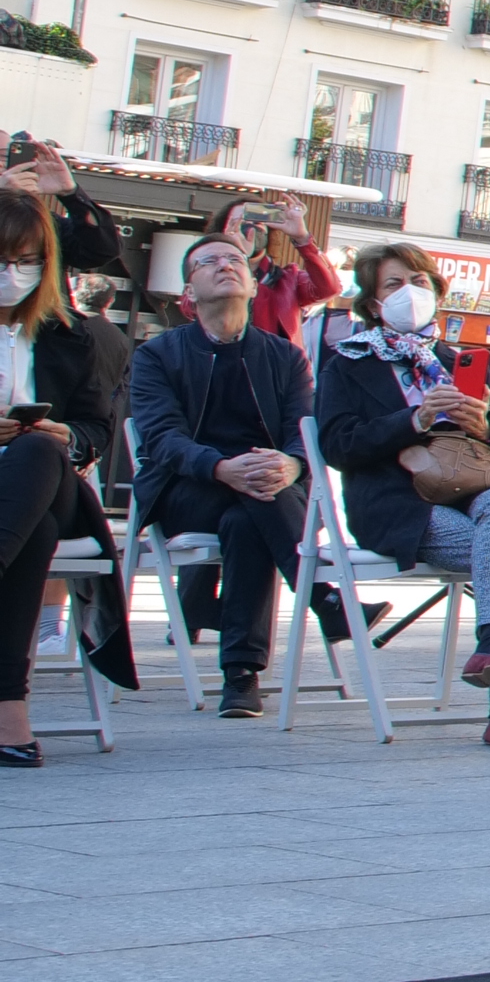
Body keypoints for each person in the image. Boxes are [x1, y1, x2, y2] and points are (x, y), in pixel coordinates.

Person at [316, 243, 490, 746]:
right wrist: (414, 419)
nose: (410, 292)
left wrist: (481, 424)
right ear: (373, 303)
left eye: (419, 282)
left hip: (470, 489)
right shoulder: (348, 363)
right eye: (394, 284)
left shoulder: (455, 361)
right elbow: (337, 445)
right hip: (398, 503)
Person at [129, 235, 313, 719]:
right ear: (189, 291)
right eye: (208, 262)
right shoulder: (157, 355)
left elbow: (306, 434)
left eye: (235, 260)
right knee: (257, 498)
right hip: (187, 491)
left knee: (247, 517)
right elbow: (161, 439)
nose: (225, 266)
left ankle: (240, 674)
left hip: (266, 491)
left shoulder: (286, 357)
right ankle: (323, 595)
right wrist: (219, 468)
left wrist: (292, 465)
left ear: (252, 286)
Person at [0, 179, 134, 766]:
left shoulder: (67, 336)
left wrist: (67, 436)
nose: (13, 273)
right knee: (33, 534)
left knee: (38, 451)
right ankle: (9, 715)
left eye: (26, 261)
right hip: (30, 517)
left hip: (49, 479)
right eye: (2, 259)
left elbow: (95, 428)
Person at [217, 195, 339, 344]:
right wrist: (234, 257)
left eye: (257, 220)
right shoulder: (207, 275)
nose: (249, 227)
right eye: (239, 222)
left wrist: (302, 238)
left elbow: (329, 289)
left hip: (277, 357)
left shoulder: (289, 280)